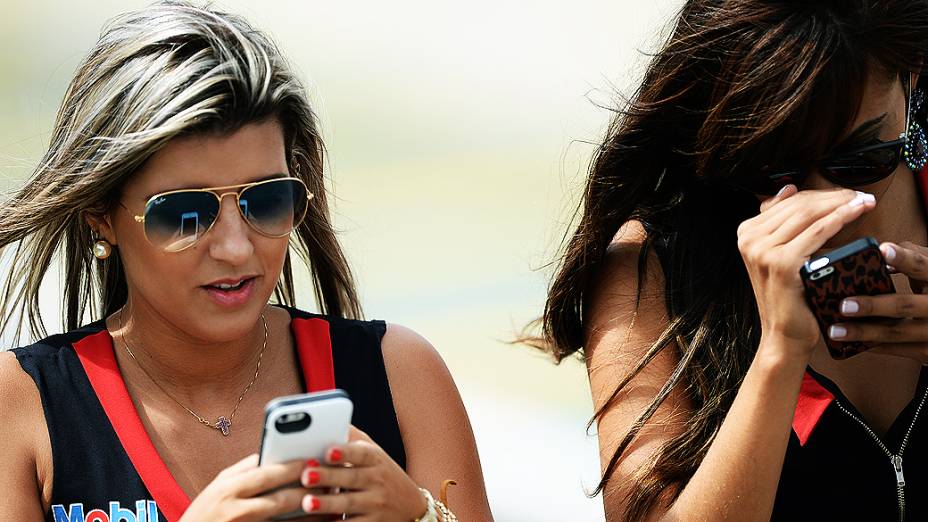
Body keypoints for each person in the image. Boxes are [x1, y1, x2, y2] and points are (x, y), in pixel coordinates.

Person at [0, 2, 492, 521]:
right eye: (186, 213)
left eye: (267, 200)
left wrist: (422, 516)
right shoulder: (22, 407)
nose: (236, 248)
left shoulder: (401, 374)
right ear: (100, 216)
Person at [538, 1, 928, 520]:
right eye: (771, 169)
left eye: (861, 158)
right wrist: (778, 355)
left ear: (911, 75)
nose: (824, 204)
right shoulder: (649, 266)